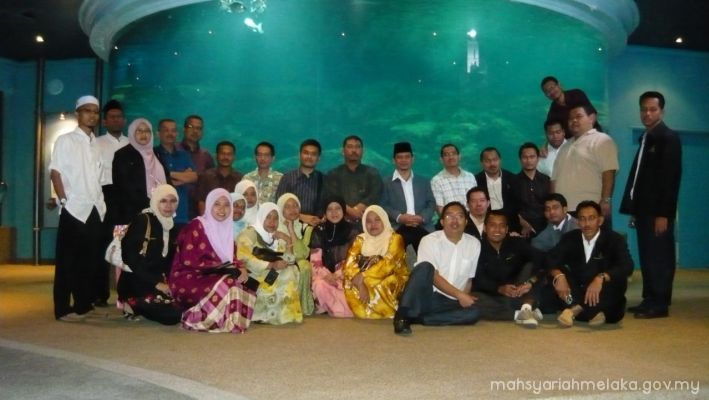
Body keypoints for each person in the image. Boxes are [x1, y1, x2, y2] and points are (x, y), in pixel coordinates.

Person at [620, 91, 682, 319]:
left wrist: (664, 214)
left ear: (661, 111)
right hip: (644, 211)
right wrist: (635, 209)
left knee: (660, 257)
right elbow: (640, 179)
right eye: (643, 109)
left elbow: (670, 179)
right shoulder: (647, 138)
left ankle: (660, 304)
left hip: (658, 213)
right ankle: (649, 299)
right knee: (647, 256)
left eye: (652, 109)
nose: (647, 113)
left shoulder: (668, 137)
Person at [49, 95, 107, 322]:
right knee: (67, 261)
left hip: (94, 207)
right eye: (87, 110)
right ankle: (62, 309)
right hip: (74, 207)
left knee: (89, 260)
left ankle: (83, 304)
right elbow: (55, 172)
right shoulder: (66, 140)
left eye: (95, 111)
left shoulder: (96, 144)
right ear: (77, 113)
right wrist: (64, 200)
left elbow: (98, 177)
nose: (92, 115)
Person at [170, 188, 257, 333]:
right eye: (217, 204)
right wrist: (220, 267)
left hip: (215, 275)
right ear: (209, 205)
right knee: (228, 282)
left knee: (244, 283)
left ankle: (227, 321)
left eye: (226, 205)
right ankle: (195, 318)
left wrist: (240, 268)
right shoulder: (196, 226)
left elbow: (232, 258)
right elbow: (187, 260)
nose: (222, 209)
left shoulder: (227, 229)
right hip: (189, 277)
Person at [394, 201, 481, 335]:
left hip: (450, 301)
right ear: (442, 222)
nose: (455, 220)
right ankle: (402, 315)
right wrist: (460, 295)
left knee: (474, 313)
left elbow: (469, 279)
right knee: (425, 267)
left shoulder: (474, 244)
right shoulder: (429, 240)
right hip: (428, 296)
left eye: (459, 216)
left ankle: (421, 319)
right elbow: (433, 276)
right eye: (449, 216)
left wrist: (463, 298)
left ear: (466, 221)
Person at [548, 201, 633, 327]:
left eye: (591, 218)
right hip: (578, 291)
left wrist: (601, 277)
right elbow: (550, 259)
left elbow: (627, 266)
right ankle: (594, 312)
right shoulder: (570, 238)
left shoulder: (614, 239)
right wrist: (558, 276)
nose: (587, 224)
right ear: (578, 222)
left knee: (618, 280)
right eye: (582, 219)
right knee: (557, 274)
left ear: (600, 220)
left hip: (602, 291)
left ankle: (575, 310)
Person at [117, 184, 182, 325]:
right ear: (155, 201)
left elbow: (169, 262)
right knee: (172, 315)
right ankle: (132, 303)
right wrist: (156, 283)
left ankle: (142, 305)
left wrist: (172, 283)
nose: (168, 206)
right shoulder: (143, 221)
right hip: (137, 281)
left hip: (159, 281)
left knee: (186, 304)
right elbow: (130, 258)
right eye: (163, 201)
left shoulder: (171, 226)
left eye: (172, 201)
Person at [472, 211, 545, 327]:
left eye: (501, 226)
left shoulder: (517, 243)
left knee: (533, 267)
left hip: (518, 291)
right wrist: (499, 288)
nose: (497, 230)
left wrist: (530, 282)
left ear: (506, 229)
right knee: (472, 300)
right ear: (485, 228)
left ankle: (526, 306)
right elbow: (477, 279)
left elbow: (543, 260)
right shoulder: (476, 247)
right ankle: (520, 313)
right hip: (492, 295)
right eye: (492, 225)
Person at [237, 202, 303, 325]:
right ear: (261, 216)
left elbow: (289, 260)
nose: (272, 222)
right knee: (285, 274)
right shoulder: (250, 233)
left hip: (269, 272)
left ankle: (282, 314)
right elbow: (244, 258)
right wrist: (271, 265)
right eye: (268, 217)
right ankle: (262, 313)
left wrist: (287, 240)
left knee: (291, 270)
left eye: (276, 218)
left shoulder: (276, 235)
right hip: (252, 274)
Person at [552, 104, 618, 225]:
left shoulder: (602, 140)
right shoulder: (564, 146)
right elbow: (554, 179)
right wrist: (553, 205)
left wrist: (606, 200)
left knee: (595, 238)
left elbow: (608, 172)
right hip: (564, 213)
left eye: (578, 116)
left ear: (592, 118)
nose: (574, 121)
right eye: (570, 118)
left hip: (591, 210)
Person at [342, 205, 409, 319]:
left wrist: (363, 278)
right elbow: (349, 263)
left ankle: (386, 311)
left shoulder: (395, 238)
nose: (373, 224)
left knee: (379, 283)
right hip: (363, 277)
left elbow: (388, 264)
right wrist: (359, 280)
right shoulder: (360, 239)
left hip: (392, 276)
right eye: (368, 221)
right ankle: (366, 311)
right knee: (348, 282)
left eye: (377, 220)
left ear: (384, 220)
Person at [94, 99, 128, 307]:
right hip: (105, 197)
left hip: (126, 199)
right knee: (103, 244)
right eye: (112, 117)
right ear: (104, 121)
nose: (116, 120)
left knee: (126, 245)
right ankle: (100, 293)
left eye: (119, 117)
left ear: (124, 120)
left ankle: (126, 293)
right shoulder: (96, 143)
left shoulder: (131, 143)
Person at [380, 142, 436, 252]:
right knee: (394, 255)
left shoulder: (423, 181)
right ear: (394, 160)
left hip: (422, 226)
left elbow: (431, 203)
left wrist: (421, 217)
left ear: (412, 159)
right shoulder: (385, 182)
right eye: (400, 157)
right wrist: (399, 217)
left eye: (407, 157)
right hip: (398, 227)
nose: (404, 160)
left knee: (429, 257)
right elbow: (383, 205)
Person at [112, 118, 169, 225]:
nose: (144, 134)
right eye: (139, 131)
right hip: (131, 214)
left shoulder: (156, 154)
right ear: (132, 132)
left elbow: (167, 179)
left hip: (157, 211)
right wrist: (150, 203)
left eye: (147, 131)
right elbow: (123, 186)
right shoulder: (123, 155)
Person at [310, 196, 357, 317]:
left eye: (338, 208)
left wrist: (337, 275)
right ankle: (335, 307)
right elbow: (315, 261)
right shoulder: (318, 230)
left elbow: (353, 260)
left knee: (346, 291)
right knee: (319, 285)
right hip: (324, 277)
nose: (334, 212)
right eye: (330, 209)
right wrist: (327, 275)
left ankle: (329, 305)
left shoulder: (352, 231)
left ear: (343, 211)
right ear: (325, 212)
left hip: (344, 276)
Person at [324, 135, 382, 226]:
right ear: (343, 151)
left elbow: (375, 194)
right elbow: (332, 196)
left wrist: (359, 208)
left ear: (362, 151)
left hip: (368, 221)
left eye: (357, 147)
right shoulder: (333, 174)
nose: (354, 150)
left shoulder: (372, 173)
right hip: (340, 221)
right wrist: (350, 211)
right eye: (350, 147)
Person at [154, 118, 198, 227]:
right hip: (158, 214)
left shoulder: (184, 155)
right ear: (158, 134)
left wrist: (168, 174)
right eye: (166, 130)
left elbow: (194, 177)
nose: (170, 133)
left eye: (173, 130)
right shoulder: (152, 154)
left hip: (181, 215)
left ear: (177, 134)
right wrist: (182, 177)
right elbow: (154, 178)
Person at [277, 193, 315, 316]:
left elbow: (302, 254)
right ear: (281, 209)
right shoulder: (274, 226)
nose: (292, 210)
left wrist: (291, 230)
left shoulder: (306, 228)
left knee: (304, 266)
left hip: (297, 261)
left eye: (295, 206)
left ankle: (300, 305)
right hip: (279, 261)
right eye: (287, 207)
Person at [276, 139, 325, 226]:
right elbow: (279, 206)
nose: (309, 157)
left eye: (313, 154)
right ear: (299, 155)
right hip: (291, 226)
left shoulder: (324, 179)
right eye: (306, 153)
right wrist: (301, 217)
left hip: (317, 228)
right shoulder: (287, 178)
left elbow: (330, 205)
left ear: (318, 158)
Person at [176, 115, 214, 219]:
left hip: (198, 211)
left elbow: (210, 183)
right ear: (184, 129)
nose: (195, 131)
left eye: (198, 128)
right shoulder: (174, 151)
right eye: (191, 127)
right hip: (174, 208)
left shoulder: (206, 156)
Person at [475, 147, 520, 233]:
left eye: (495, 160)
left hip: (510, 223)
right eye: (488, 161)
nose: (492, 164)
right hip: (486, 223)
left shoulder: (512, 178)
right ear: (481, 163)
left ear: (500, 160)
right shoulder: (476, 181)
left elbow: (517, 205)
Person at [196, 141, 242, 215]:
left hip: (232, 220)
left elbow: (241, 203)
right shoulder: (205, 176)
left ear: (234, 157)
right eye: (222, 154)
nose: (225, 157)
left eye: (229, 154)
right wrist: (206, 220)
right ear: (216, 155)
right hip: (209, 219)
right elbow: (201, 202)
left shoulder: (240, 179)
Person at [430, 144, 477, 216]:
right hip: (450, 220)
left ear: (459, 156)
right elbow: (440, 209)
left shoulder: (470, 177)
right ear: (441, 159)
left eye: (454, 154)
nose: (451, 157)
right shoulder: (436, 180)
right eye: (446, 155)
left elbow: (476, 201)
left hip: (472, 218)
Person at [515, 142, 551, 237]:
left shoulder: (546, 180)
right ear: (520, 160)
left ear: (538, 158)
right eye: (525, 157)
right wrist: (522, 223)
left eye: (532, 157)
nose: (529, 160)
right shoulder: (513, 181)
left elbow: (551, 203)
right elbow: (511, 207)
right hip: (522, 227)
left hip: (546, 226)